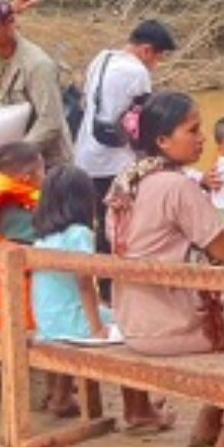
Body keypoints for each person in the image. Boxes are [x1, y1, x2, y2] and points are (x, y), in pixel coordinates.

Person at [106, 91, 224, 447]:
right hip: (173, 326)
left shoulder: (125, 183)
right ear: (163, 140)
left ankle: (209, 425)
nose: (201, 138)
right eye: (192, 130)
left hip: (133, 321)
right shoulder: (178, 186)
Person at [32, 164, 169, 428]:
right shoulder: (79, 234)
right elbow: (85, 283)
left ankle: (60, 397)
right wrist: (97, 328)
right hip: (74, 321)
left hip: (48, 321)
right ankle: (139, 409)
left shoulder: (43, 237)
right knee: (131, 329)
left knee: (109, 314)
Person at [74, 19, 177, 260]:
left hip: (86, 154)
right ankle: (116, 277)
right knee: (120, 226)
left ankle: (100, 277)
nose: (156, 64)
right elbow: (143, 120)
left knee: (98, 222)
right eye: (158, 57)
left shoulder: (102, 58)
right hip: (116, 162)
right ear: (146, 50)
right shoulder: (137, 72)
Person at [0, 0, 72, 169]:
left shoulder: (38, 65)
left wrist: (14, 155)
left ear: (10, 23)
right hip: (8, 157)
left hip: (46, 163)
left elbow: (50, 122)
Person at [0, 141, 44, 333]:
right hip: (13, 310)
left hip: (1, 305)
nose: (44, 177)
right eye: (42, 171)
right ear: (27, 177)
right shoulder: (11, 205)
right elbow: (29, 243)